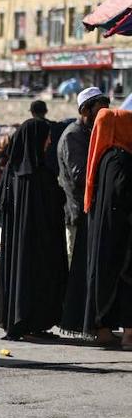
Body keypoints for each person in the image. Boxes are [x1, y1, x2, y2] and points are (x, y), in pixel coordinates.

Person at [0, 117, 67, 342]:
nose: (48, 142)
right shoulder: (37, 176)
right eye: (46, 137)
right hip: (36, 244)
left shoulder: (13, 172)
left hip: (20, 245)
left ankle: (28, 322)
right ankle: (29, 322)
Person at [60, 88, 110, 339]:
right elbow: (80, 174)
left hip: (93, 213)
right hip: (78, 213)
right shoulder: (74, 135)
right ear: (85, 111)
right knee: (79, 272)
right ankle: (81, 325)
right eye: (98, 108)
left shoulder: (93, 133)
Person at [82, 107, 132, 348]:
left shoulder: (104, 157)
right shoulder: (121, 159)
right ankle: (129, 335)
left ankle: (103, 329)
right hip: (122, 233)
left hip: (105, 231)